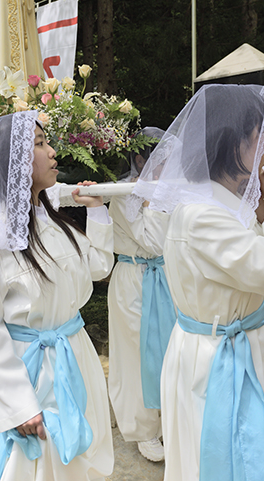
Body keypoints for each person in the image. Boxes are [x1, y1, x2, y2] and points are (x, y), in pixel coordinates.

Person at [133, 84, 264, 480]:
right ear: (235, 140)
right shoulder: (204, 214)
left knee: (256, 449)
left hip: (237, 343)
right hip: (218, 355)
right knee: (229, 456)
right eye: (262, 131)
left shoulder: (221, 204)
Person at [0, 111, 115, 480]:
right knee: (32, 466)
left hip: (73, 354)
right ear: (13, 159)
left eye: (47, 141)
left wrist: (97, 211)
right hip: (28, 369)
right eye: (39, 144)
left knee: (78, 460)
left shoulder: (53, 220)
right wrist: (17, 404)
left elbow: (97, 268)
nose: (52, 152)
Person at [107, 127, 172, 462]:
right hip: (134, 277)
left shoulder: (169, 193)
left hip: (164, 277)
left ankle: (167, 420)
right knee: (135, 352)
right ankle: (142, 428)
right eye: (158, 159)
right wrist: (151, 200)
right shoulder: (124, 193)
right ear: (140, 158)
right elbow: (153, 241)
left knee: (165, 349)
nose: (166, 167)